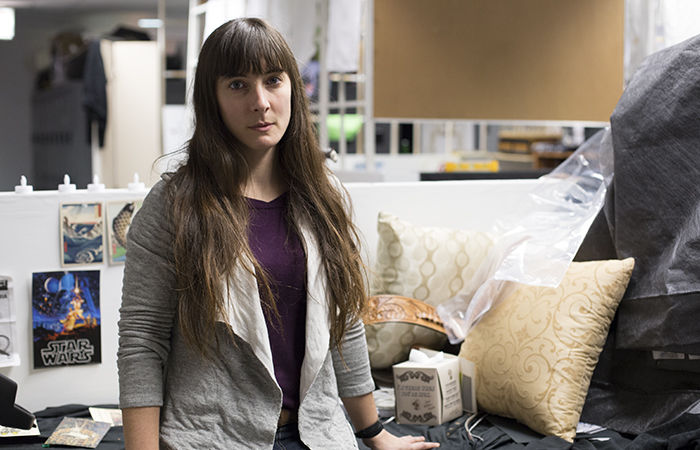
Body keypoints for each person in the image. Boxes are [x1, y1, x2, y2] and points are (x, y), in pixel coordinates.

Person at [117, 18, 440, 450]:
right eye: (237, 85)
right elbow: (142, 339)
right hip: (213, 438)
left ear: (293, 88)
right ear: (211, 99)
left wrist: (373, 433)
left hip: (319, 435)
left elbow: (344, 324)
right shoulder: (176, 203)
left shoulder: (324, 196)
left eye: (273, 80)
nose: (261, 102)